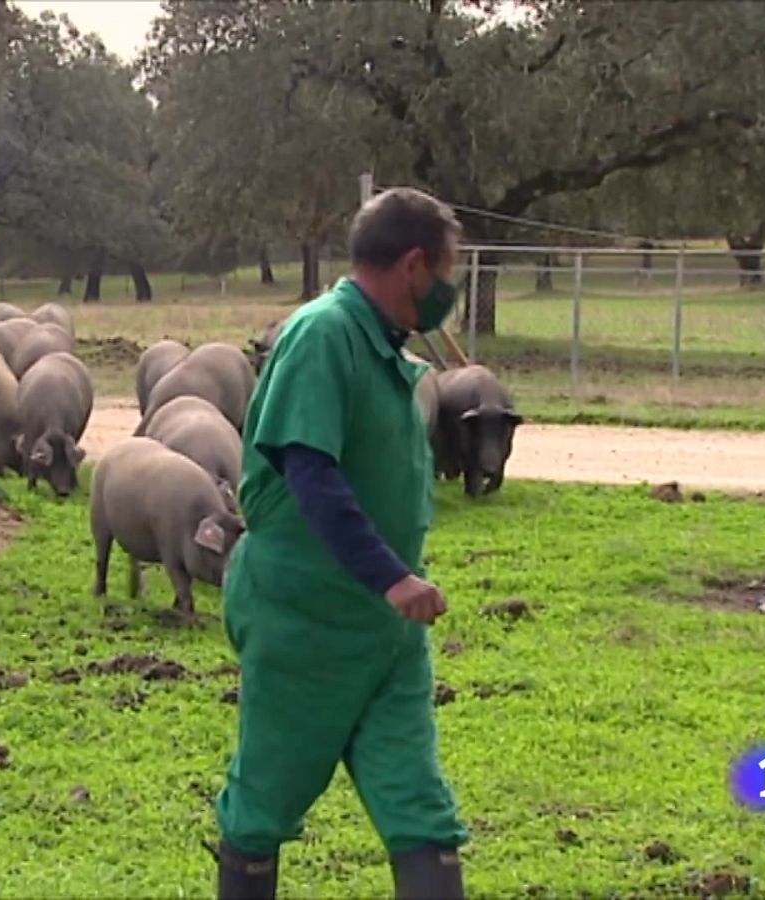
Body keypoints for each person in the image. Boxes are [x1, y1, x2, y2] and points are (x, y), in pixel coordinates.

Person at [211, 187, 469, 899]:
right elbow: (308, 470)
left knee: (421, 810)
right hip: (304, 623)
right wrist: (389, 577)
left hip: (388, 634)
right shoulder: (323, 335)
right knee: (264, 804)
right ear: (414, 266)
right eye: (448, 273)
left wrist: (394, 590)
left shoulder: (385, 351)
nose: (451, 291)